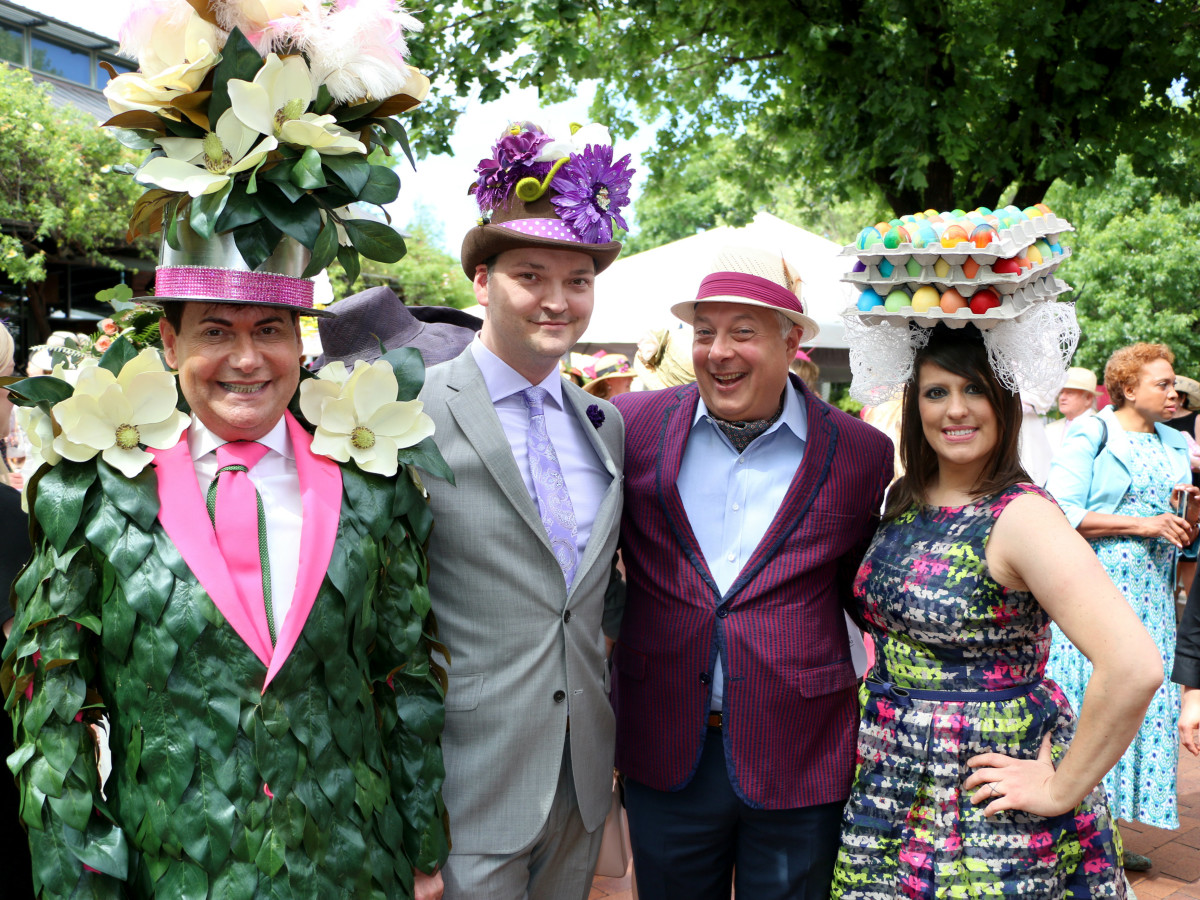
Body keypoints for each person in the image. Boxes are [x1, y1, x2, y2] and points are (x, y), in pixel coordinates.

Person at [3, 234, 449, 899]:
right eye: (216, 330)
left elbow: (403, 677)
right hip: (177, 875)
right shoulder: (92, 495)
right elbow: (50, 720)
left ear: (299, 343)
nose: (246, 358)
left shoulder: (373, 485)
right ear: (171, 342)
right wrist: (80, 887)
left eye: (269, 329)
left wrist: (423, 851)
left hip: (356, 871)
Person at [832, 323, 1162, 897]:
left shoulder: (1022, 516)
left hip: (984, 789)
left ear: (1004, 401)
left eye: (975, 390)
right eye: (937, 393)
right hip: (891, 773)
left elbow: (1134, 665)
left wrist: (1062, 788)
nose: (955, 410)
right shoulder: (905, 495)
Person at [611, 245, 893, 900]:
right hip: (666, 745)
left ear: (792, 340)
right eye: (704, 331)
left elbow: (862, 592)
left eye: (743, 332)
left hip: (801, 749)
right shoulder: (634, 427)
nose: (719, 351)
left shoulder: (860, 454)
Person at [418, 121, 631, 900]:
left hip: (578, 786)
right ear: (482, 280)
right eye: (530, 275)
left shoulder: (603, 424)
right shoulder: (411, 412)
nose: (557, 300)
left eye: (578, 281)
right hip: (464, 787)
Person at [1045, 341, 1196, 869]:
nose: (1174, 390)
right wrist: (1143, 524)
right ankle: (1071, 833)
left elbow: (1177, 518)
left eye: (1174, 382)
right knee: (1092, 701)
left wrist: (1186, 521)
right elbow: (1058, 508)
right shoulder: (1093, 430)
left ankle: (1104, 833)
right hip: (1095, 591)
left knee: (1139, 706)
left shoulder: (1176, 442)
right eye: (1163, 382)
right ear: (1129, 389)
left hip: (1154, 593)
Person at [1046, 365, 1099, 453]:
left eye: (1070, 393)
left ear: (1088, 398)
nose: (1062, 397)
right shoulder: (1050, 429)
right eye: (1061, 392)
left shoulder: (1101, 428)